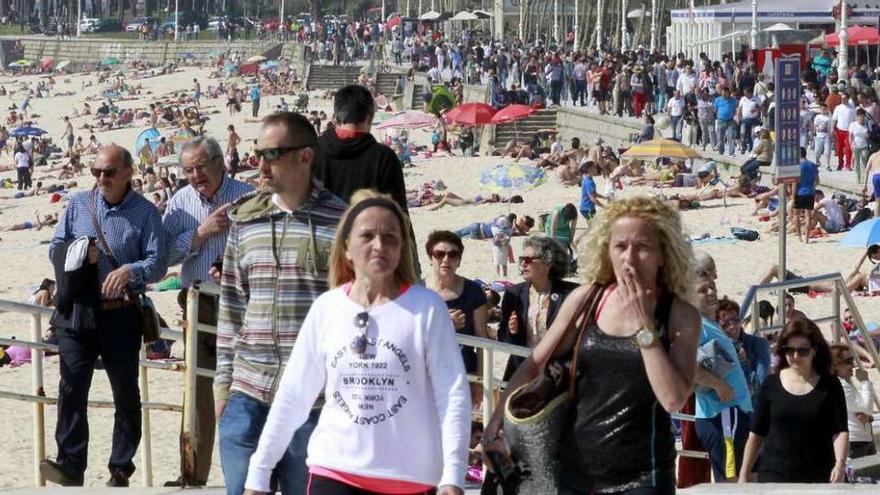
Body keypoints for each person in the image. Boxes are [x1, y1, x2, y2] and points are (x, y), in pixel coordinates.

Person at [241, 191, 470, 495]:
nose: (379, 245)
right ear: (347, 246)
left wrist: (453, 476)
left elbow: (452, 393)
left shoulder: (426, 308)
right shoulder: (327, 308)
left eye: (390, 237)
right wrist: (259, 473)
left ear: (402, 248)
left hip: (410, 478)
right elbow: (294, 396)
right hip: (335, 471)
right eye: (367, 236)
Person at [484, 196, 701, 493]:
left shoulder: (679, 315)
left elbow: (673, 398)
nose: (630, 257)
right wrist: (493, 427)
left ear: (663, 254)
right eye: (620, 246)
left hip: (644, 477)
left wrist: (644, 327)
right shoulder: (588, 299)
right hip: (576, 472)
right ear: (606, 251)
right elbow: (535, 363)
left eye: (643, 247)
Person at [215, 112, 348, 495]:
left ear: (305, 156)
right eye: (258, 153)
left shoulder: (341, 222)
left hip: (312, 399)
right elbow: (232, 307)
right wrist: (223, 385)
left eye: (271, 154)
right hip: (248, 390)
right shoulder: (246, 219)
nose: (260, 164)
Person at [42, 144, 167, 487]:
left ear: (128, 172)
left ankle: (120, 467)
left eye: (109, 172)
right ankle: (70, 464)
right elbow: (55, 246)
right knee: (70, 388)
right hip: (78, 313)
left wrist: (129, 271)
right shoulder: (79, 204)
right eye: (96, 172)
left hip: (121, 315)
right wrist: (80, 252)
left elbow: (157, 264)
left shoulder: (145, 213)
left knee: (125, 394)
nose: (101, 179)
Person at [161, 136, 253, 487]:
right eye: (188, 170)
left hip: (243, 304)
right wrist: (200, 234)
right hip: (198, 303)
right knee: (198, 387)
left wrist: (232, 266)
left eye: (201, 166)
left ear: (220, 162)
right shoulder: (180, 203)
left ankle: (247, 476)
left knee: (246, 387)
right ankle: (193, 475)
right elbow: (164, 257)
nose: (196, 175)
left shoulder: (246, 195)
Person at [311, 84, 419, 274]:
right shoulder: (383, 158)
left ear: (335, 117)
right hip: (368, 256)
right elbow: (400, 216)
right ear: (370, 117)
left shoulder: (313, 152)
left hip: (317, 252)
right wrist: (412, 269)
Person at [738, 318, 849, 484]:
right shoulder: (770, 384)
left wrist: (840, 464)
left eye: (802, 351)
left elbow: (840, 430)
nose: (795, 356)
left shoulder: (830, 385)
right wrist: (744, 473)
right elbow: (756, 433)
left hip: (821, 477)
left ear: (814, 350)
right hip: (775, 477)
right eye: (789, 350)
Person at [691, 252, 753, 482]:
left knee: (733, 476)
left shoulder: (707, 323)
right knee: (730, 480)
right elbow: (686, 364)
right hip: (722, 412)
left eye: (712, 286)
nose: (712, 291)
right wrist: (717, 384)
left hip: (728, 411)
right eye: (703, 290)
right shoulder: (696, 324)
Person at [497, 235, 579, 378]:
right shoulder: (513, 294)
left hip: (558, 372)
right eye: (521, 260)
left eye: (528, 260)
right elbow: (503, 338)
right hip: (521, 369)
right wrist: (512, 331)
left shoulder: (570, 294)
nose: (522, 264)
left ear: (547, 264)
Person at [423, 230, 488, 404]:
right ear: (431, 258)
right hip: (425, 375)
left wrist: (481, 381)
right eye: (439, 254)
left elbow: (482, 340)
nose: (446, 259)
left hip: (463, 373)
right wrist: (445, 324)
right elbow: (410, 337)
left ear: (459, 260)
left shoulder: (473, 291)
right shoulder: (418, 292)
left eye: (452, 255)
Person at [715, 298, 771, 397]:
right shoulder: (716, 347)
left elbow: (757, 385)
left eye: (735, 320)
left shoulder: (759, 344)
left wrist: (744, 363)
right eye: (726, 324)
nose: (732, 327)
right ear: (717, 326)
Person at [830, 344, 877, 459]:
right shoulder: (839, 385)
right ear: (835, 365)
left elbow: (860, 410)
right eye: (848, 361)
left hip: (863, 439)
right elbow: (867, 407)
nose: (853, 365)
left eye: (853, 360)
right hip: (854, 442)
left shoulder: (845, 383)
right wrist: (865, 381)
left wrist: (869, 417)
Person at [794, 147, 819, 243]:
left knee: (796, 215)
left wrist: (793, 195)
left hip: (800, 192)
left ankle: (799, 237)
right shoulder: (813, 165)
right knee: (808, 216)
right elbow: (817, 181)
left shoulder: (798, 166)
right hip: (810, 192)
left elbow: (795, 183)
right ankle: (807, 238)